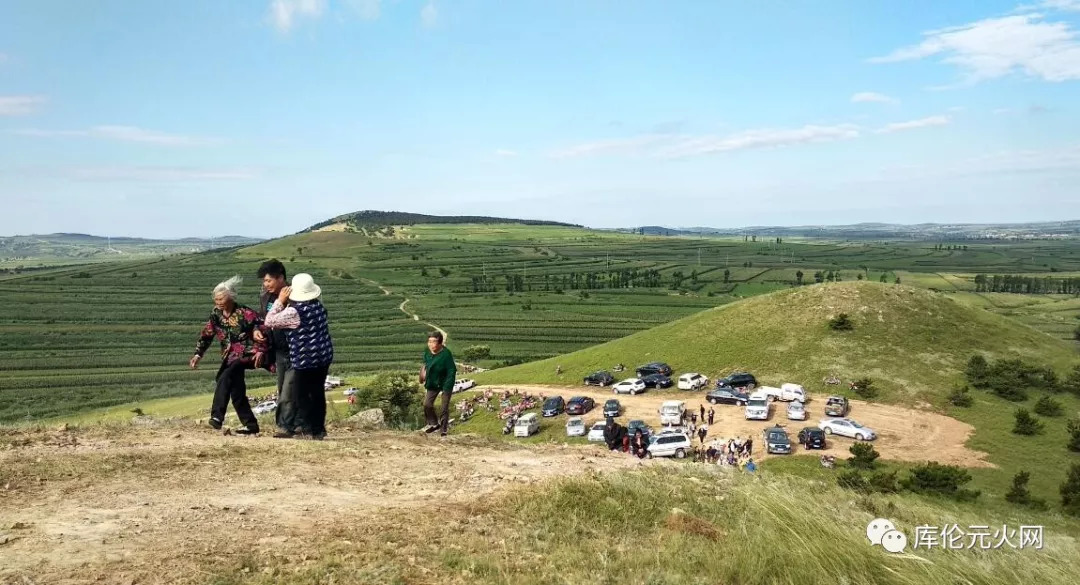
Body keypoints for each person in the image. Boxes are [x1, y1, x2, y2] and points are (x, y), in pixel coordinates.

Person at [191, 276, 267, 435]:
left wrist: (260, 349)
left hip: (247, 353)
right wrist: (198, 354)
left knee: (224, 376)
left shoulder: (245, 313)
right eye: (215, 298)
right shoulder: (216, 314)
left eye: (221, 298)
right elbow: (207, 334)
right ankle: (251, 425)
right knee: (235, 388)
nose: (217, 301)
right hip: (229, 355)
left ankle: (217, 417)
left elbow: (263, 328)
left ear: (231, 297)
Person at [264, 273, 334, 440]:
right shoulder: (318, 306)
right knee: (317, 392)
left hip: (305, 359)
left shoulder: (294, 312)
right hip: (323, 356)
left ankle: (304, 429)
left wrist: (280, 301)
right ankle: (318, 430)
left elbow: (269, 321)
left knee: (300, 394)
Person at [254, 259, 305, 438]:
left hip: (296, 351)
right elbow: (262, 320)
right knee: (285, 387)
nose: (265, 284)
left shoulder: (297, 297)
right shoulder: (265, 297)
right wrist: (256, 332)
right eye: (264, 281)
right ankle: (298, 425)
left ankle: (284, 427)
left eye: (268, 280)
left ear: (281, 278)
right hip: (278, 351)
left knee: (288, 391)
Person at [419, 331, 456, 436]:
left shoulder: (446, 354)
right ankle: (434, 424)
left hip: (446, 382)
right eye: (429, 341)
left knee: (444, 407)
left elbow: (451, 370)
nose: (431, 344)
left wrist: (447, 387)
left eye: (433, 342)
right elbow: (426, 364)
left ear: (440, 343)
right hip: (433, 382)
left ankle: (443, 430)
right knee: (427, 404)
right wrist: (424, 375)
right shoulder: (427, 351)